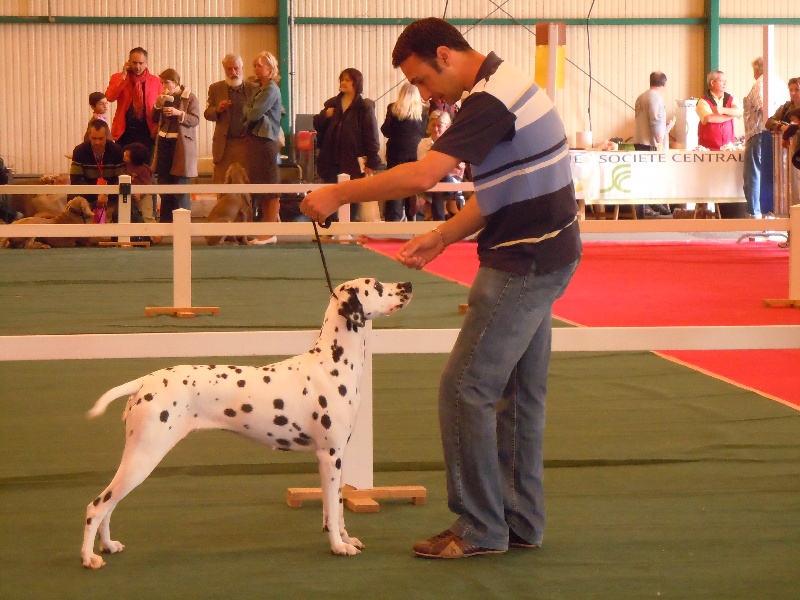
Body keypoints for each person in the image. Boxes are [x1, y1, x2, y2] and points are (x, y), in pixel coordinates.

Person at [301, 17, 581, 559]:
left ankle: (479, 527)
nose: (424, 93)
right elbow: (507, 184)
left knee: (464, 389)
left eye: (423, 80)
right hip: (548, 253)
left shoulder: (489, 101)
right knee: (519, 395)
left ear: (446, 55)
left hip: (524, 261)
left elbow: (422, 176)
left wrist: (339, 195)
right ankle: (520, 522)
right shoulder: (505, 85)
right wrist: (445, 234)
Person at [313, 68, 382, 221]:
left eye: (347, 80)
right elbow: (317, 125)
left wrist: (372, 160)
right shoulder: (332, 105)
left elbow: (371, 135)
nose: (343, 82)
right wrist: (324, 116)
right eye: (342, 79)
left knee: (351, 194)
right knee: (329, 193)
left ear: (356, 83)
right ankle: (328, 227)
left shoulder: (364, 108)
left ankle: (348, 228)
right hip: (330, 159)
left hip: (352, 160)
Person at [742, 58, 789, 219]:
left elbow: (765, 108)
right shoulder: (781, 84)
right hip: (778, 134)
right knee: (774, 174)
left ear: (757, 70)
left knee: (754, 175)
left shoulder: (760, 85)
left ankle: (755, 212)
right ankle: (772, 212)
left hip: (759, 133)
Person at [150, 68, 199, 222]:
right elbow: (153, 118)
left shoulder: (189, 97)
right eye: (162, 82)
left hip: (180, 145)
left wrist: (179, 114)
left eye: (166, 82)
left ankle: (182, 222)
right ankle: (165, 222)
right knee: (164, 184)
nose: (164, 86)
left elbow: (195, 120)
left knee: (180, 184)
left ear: (176, 82)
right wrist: (157, 105)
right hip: (164, 142)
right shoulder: (164, 97)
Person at [204, 54, 259, 184]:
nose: (233, 72)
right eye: (229, 69)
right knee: (221, 182)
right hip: (223, 145)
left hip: (246, 143)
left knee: (246, 183)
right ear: (224, 70)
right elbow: (207, 113)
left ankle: (248, 205)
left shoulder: (254, 89)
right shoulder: (215, 88)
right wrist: (217, 109)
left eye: (236, 68)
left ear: (242, 68)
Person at [243, 51, 283, 227]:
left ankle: (271, 229)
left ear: (270, 68)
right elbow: (249, 111)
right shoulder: (259, 88)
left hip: (266, 140)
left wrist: (248, 110)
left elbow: (253, 113)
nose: (256, 69)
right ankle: (267, 227)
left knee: (270, 187)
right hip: (257, 140)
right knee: (262, 186)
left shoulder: (271, 89)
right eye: (255, 66)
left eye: (260, 65)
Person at [381, 81, 427, 221]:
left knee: (394, 187)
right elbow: (425, 132)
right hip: (415, 153)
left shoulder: (393, 108)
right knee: (413, 188)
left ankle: (393, 219)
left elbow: (385, 130)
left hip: (396, 153)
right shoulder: (424, 111)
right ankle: (414, 217)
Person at [632, 71, 675, 217]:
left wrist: (665, 127)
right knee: (649, 177)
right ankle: (647, 207)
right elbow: (656, 122)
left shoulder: (641, 97)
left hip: (639, 141)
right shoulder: (655, 98)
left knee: (642, 177)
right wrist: (663, 134)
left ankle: (645, 207)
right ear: (665, 83)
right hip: (649, 144)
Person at [105, 47, 162, 152]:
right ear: (129, 62)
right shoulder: (118, 77)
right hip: (125, 132)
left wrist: (157, 127)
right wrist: (123, 76)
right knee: (123, 165)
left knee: (146, 167)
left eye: (141, 63)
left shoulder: (156, 81)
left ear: (146, 63)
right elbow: (110, 97)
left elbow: (161, 107)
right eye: (134, 63)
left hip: (147, 132)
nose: (137, 66)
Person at [69, 119, 125, 220]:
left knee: (123, 204)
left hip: (111, 194)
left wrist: (106, 193)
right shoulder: (79, 151)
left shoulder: (117, 150)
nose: (97, 142)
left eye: (101, 138)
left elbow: (121, 179)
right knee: (72, 197)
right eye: (94, 138)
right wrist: (97, 193)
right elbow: (75, 180)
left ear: (107, 136)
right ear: (89, 136)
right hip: (88, 192)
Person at [417, 110, 466, 220]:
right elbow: (423, 166)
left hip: (451, 181)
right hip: (430, 180)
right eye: (433, 125)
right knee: (438, 180)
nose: (435, 129)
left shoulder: (454, 143)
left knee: (441, 179)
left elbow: (459, 169)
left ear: (447, 127)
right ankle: (448, 207)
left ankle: (437, 214)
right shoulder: (423, 143)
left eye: (439, 126)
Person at [695, 70, 743, 150]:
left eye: (725, 81)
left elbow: (740, 112)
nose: (725, 84)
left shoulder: (730, 99)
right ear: (712, 83)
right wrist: (731, 115)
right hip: (708, 148)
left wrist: (722, 110)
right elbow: (710, 118)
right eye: (721, 81)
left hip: (728, 148)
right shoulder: (703, 101)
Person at [123, 142, 155, 222]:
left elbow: (148, 184)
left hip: (143, 197)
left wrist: (141, 194)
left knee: (147, 217)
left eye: (127, 155)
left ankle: (154, 233)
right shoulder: (125, 166)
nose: (124, 156)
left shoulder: (143, 170)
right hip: (130, 195)